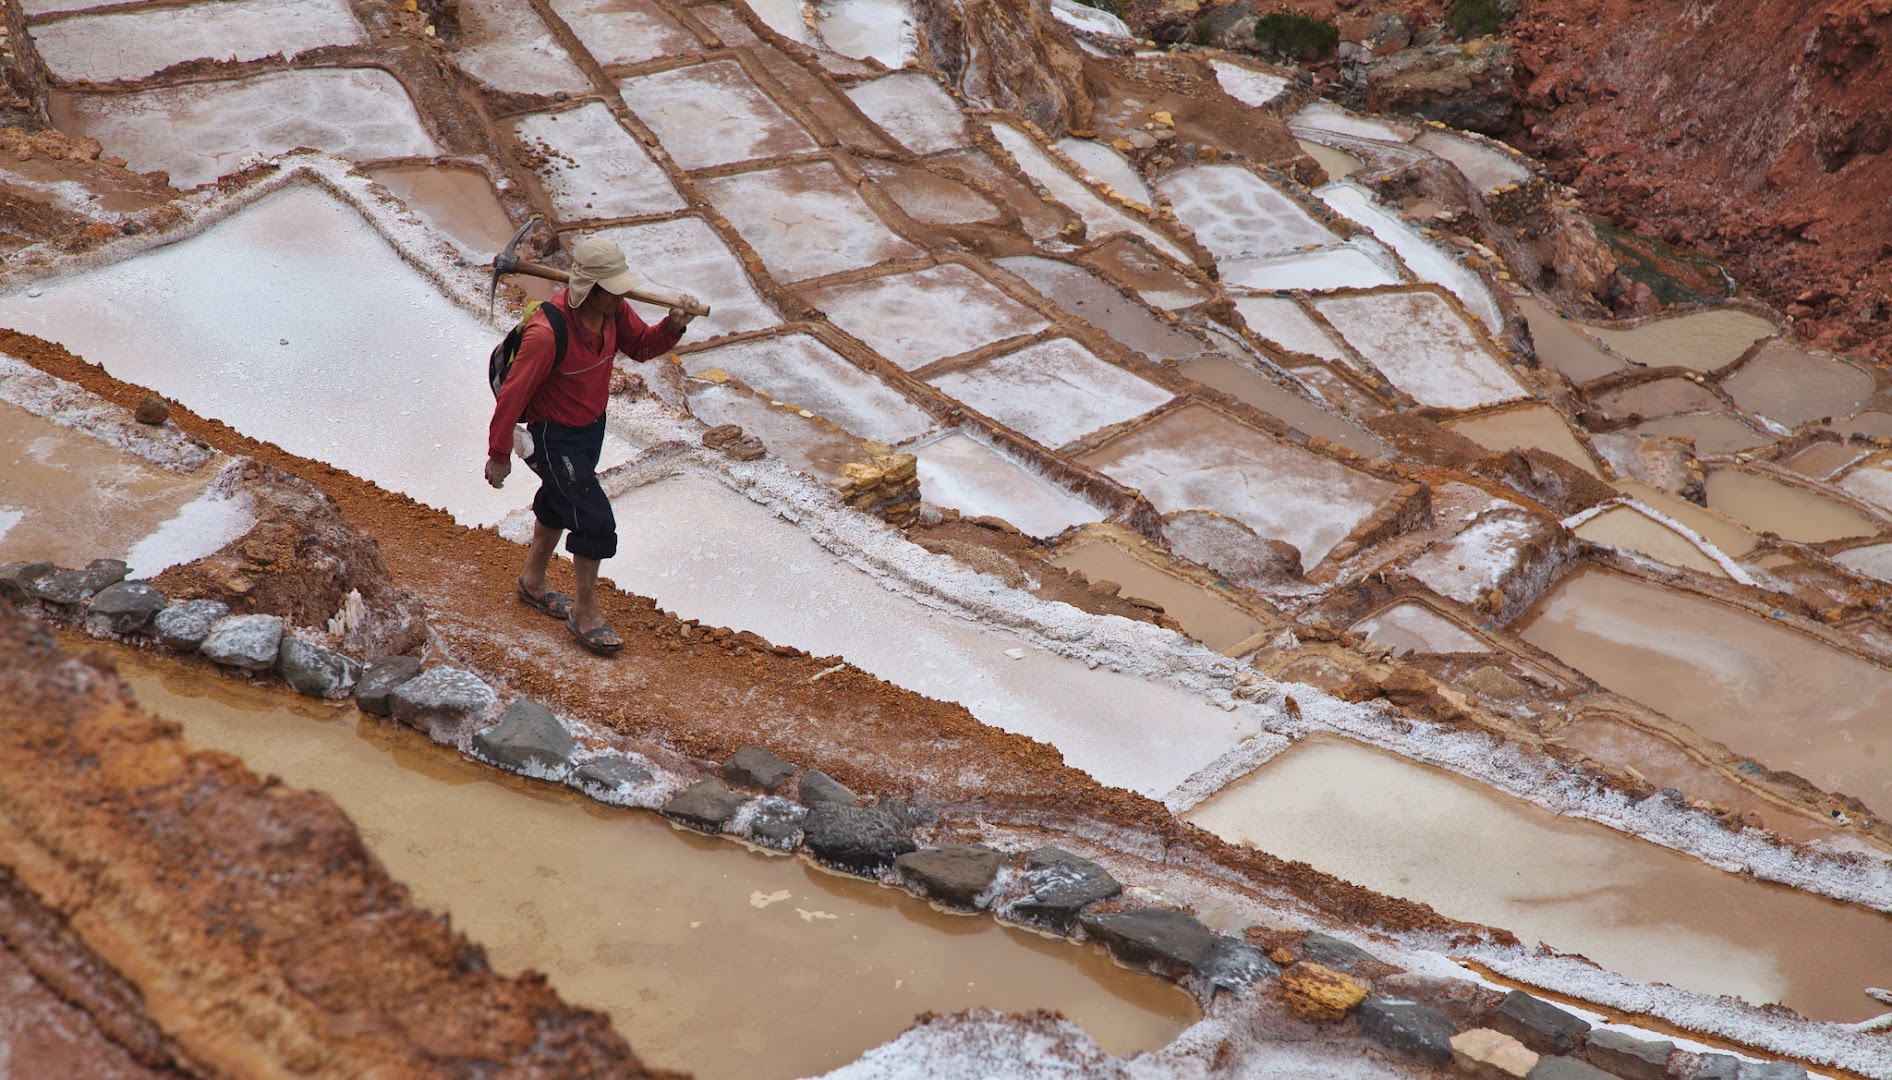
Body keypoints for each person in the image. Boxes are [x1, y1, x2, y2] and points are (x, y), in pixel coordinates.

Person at [484, 235, 699, 655]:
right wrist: (498, 455)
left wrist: (673, 326)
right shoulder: (547, 334)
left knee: (558, 499)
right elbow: (512, 393)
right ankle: (584, 613)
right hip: (552, 436)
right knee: (594, 517)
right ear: (591, 290)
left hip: (590, 427)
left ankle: (532, 582)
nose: (621, 295)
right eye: (613, 288)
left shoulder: (613, 311)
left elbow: (640, 347)